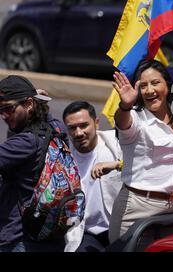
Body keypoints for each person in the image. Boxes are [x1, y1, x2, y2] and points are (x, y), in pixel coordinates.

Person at [108, 60, 173, 242]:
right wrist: (125, 105)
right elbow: (122, 122)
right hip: (138, 209)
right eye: (143, 86)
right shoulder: (135, 117)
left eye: (155, 83)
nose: (149, 90)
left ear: (168, 85)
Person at [0, 75, 65, 252]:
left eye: (9, 108)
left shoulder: (24, 143)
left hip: (19, 238)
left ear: (29, 104)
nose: (4, 116)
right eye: (0, 110)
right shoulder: (56, 128)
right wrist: (38, 102)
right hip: (50, 231)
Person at [62, 101, 122, 252]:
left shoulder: (116, 145)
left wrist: (116, 165)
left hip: (121, 229)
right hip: (85, 233)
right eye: (72, 128)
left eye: (83, 125)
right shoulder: (64, 159)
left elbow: (142, 168)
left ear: (96, 123)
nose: (78, 133)